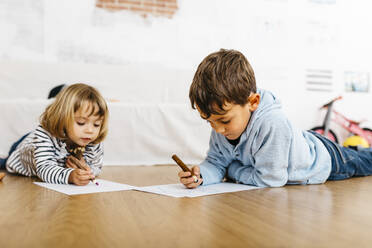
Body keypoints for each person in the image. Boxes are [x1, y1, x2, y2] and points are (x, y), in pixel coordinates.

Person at [178, 48, 372, 188]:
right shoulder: (221, 124)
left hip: (325, 159)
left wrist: (233, 170)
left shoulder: (272, 124)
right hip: (303, 142)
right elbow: (216, 163)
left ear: (253, 102)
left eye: (225, 121)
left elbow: (270, 179)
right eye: (209, 121)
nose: (218, 130)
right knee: (358, 152)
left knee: (365, 162)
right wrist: (201, 175)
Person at [0, 83, 109, 185]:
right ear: (63, 118)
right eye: (81, 123)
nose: (90, 130)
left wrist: (86, 169)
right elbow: (44, 169)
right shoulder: (44, 134)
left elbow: (96, 166)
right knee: (4, 162)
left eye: (96, 124)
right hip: (23, 148)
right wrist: (70, 176)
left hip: (49, 140)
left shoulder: (92, 139)